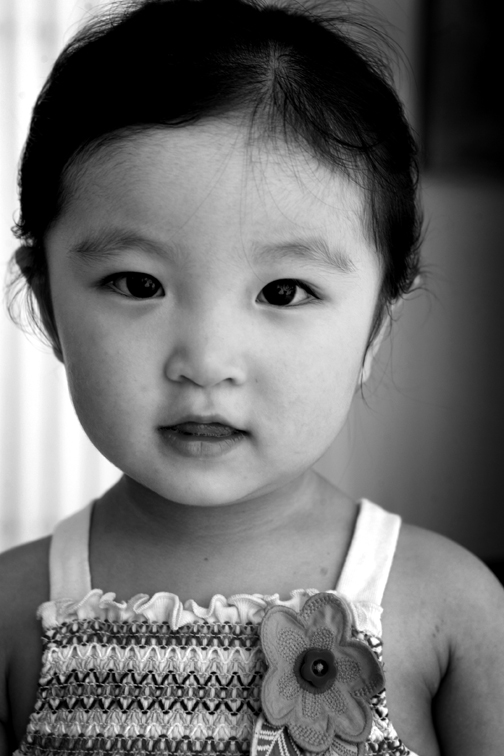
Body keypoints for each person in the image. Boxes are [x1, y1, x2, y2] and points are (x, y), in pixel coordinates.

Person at [1, 0, 504, 753]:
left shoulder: (452, 608)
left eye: (283, 292)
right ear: (47, 305)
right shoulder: (15, 612)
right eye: (138, 284)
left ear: (374, 328)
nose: (206, 362)